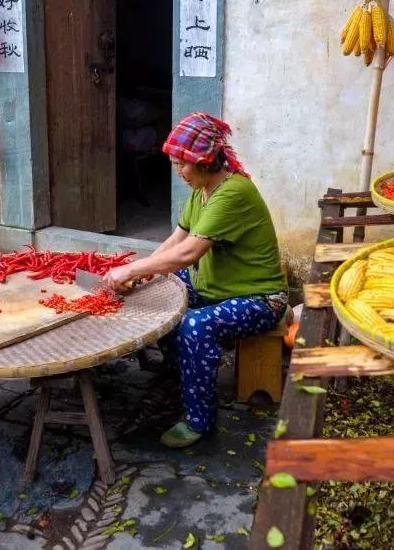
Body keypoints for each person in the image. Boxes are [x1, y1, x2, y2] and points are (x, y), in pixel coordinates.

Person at [103, 112, 288, 448]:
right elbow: (177, 239)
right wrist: (143, 272)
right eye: (175, 164)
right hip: (215, 288)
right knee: (160, 287)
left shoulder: (233, 193)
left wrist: (130, 270)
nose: (179, 172)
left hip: (260, 299)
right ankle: (178, 370)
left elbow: (189, 253)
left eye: (182, 164)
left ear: (204, 161)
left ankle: (199, 420)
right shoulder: (201, 191)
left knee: (195, 325)